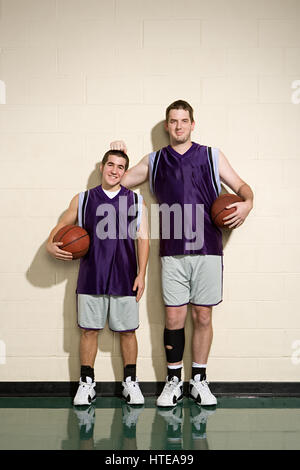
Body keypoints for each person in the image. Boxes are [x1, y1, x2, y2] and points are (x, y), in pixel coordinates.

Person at [110, 100, 254, 407]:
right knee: (174, 317)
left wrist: (248, 203)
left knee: (203, 315)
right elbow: (118, 182)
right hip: (172, 251)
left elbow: (242, 186)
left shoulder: (212, 155)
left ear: (192, 124)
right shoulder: (155, 160)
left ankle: (199, 380)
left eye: (184, 120)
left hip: (208, 249)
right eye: (173, 121)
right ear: (167, 126)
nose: (178, 126)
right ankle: (173, 382)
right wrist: (120, 156)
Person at [46, 150, 149, 406]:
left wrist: (142, 274)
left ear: (125, 172)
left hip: (125, 276)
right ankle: (86, 383)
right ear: (102, 167)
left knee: (127, 332)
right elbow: (61, 226)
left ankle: (130, 382)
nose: (115, 170)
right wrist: (50, 244)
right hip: (91, 275)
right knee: (89, 331)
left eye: (121, 167)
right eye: (111, 165)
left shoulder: (136, 200)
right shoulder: (83, 199)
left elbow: (143, 238)